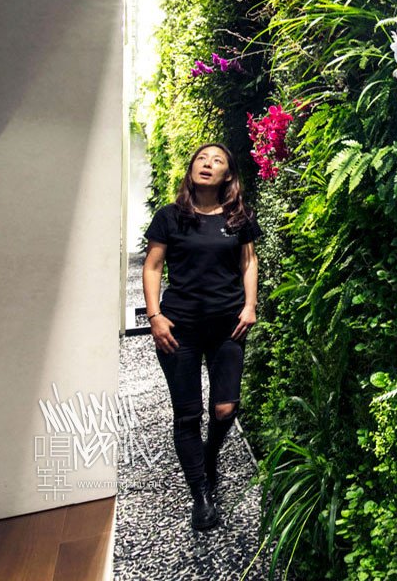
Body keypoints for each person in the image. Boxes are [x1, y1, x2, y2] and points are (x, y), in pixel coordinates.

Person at [142, 142, 262, 531]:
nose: (207, 165)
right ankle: (201, 495)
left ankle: (209, 457)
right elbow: (153, 266)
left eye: (218, 162)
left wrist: (250, 305)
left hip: (229, 324)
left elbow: (249, 261)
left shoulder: (237, 216)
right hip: (179, 329)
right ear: (191, 168)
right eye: (201, 159)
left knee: (225, 408)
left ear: (228, 175)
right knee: (188, 414)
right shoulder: (170, 217)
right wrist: (155, 315)